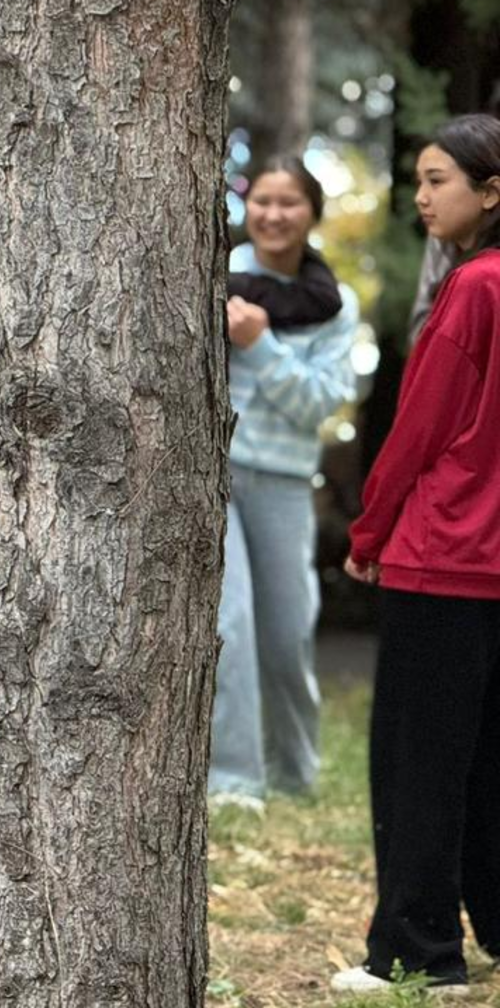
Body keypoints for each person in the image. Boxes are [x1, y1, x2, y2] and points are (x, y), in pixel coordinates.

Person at [332, 114, 500, 997]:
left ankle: (416, 954)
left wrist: (368, 534)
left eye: (439, 180)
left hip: (445, 558)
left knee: (420, 767)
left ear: (492, 191)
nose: (423, 197)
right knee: (490, 761)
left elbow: (417, 431)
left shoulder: (475, 289)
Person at [207, 157, 358, 808]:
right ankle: (235, 782)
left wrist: (263, 346)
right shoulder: (219, 275)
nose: (274, 214)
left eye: (289, 202)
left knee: (290, 632)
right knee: (231, 624)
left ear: (312, 213)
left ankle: (295, 774)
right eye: (263, 200)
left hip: (287, 483)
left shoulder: (335, 304)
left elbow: (319, 402)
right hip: (217, 475)